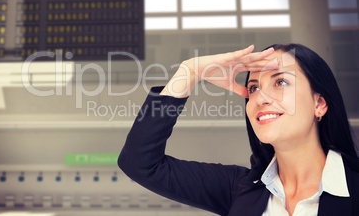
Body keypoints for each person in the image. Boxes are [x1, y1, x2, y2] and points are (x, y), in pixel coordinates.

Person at [118, 44, 359, 216]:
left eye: (280, 82)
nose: (260, 98)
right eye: (253, 88)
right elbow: (140, 163)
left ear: (319, 104)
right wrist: (191, 72)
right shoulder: (241, 188)